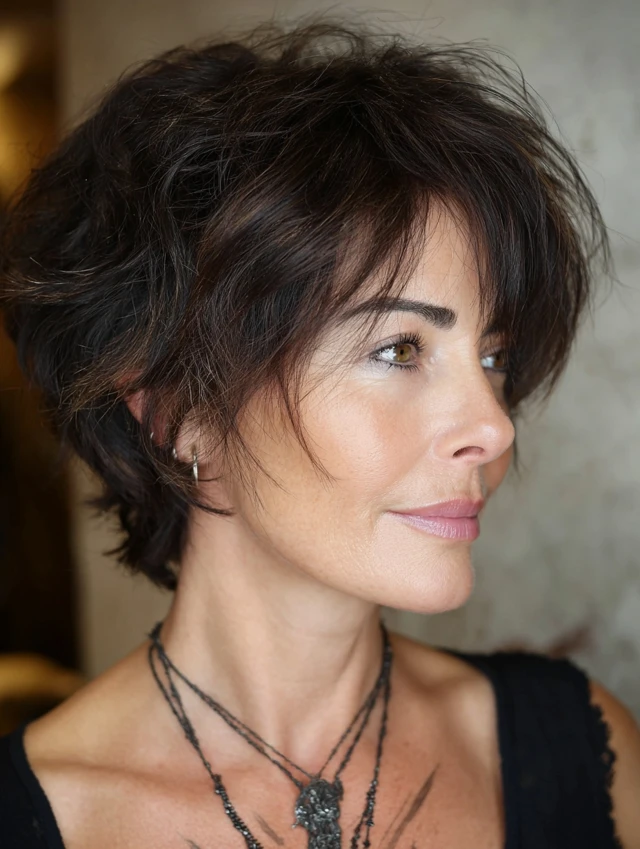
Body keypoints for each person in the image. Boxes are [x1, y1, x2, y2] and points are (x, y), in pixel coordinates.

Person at [1, 16, 639, 849]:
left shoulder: (579, 750)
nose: (492, 424)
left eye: (493, 357)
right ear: (178, 409)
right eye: (399, 349)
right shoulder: (34, 815)